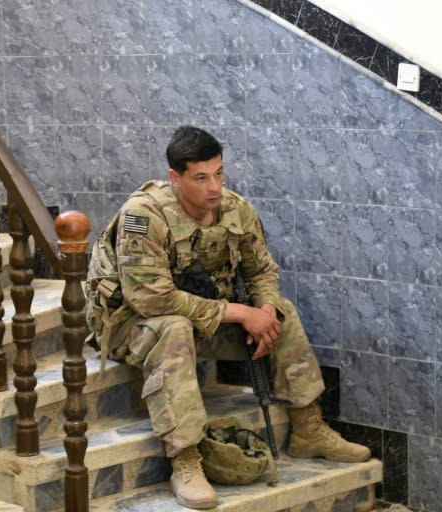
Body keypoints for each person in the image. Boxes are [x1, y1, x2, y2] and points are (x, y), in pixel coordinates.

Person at [86, 126, 370, 509]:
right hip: (131, 326)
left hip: (201, 319)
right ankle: (185, 459)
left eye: (218, 173)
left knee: (283, 312)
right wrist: (240, 312)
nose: (214, 187)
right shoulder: (144, 216)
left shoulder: (234, 208)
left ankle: (308, 428)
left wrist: (266, 311)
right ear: (175, 177)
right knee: (173, 326)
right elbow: (150, 299)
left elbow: (261, 272)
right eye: (201, 178)